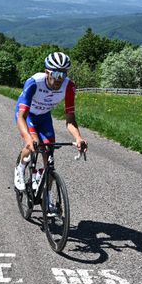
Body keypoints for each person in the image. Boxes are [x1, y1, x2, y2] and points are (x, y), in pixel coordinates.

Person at [14, 51, 87, 191]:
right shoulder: (34, 83)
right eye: (56, 74)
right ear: (47, 72)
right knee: (34, 143)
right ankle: (20, 168)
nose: (60, 79)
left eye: (63, 74)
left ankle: (48, 201)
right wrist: (28, 139)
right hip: (28, 115)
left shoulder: (69, 87)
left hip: (44, 116)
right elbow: (21, 116)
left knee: (49, 155)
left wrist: (78, 138)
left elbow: (70, 120)